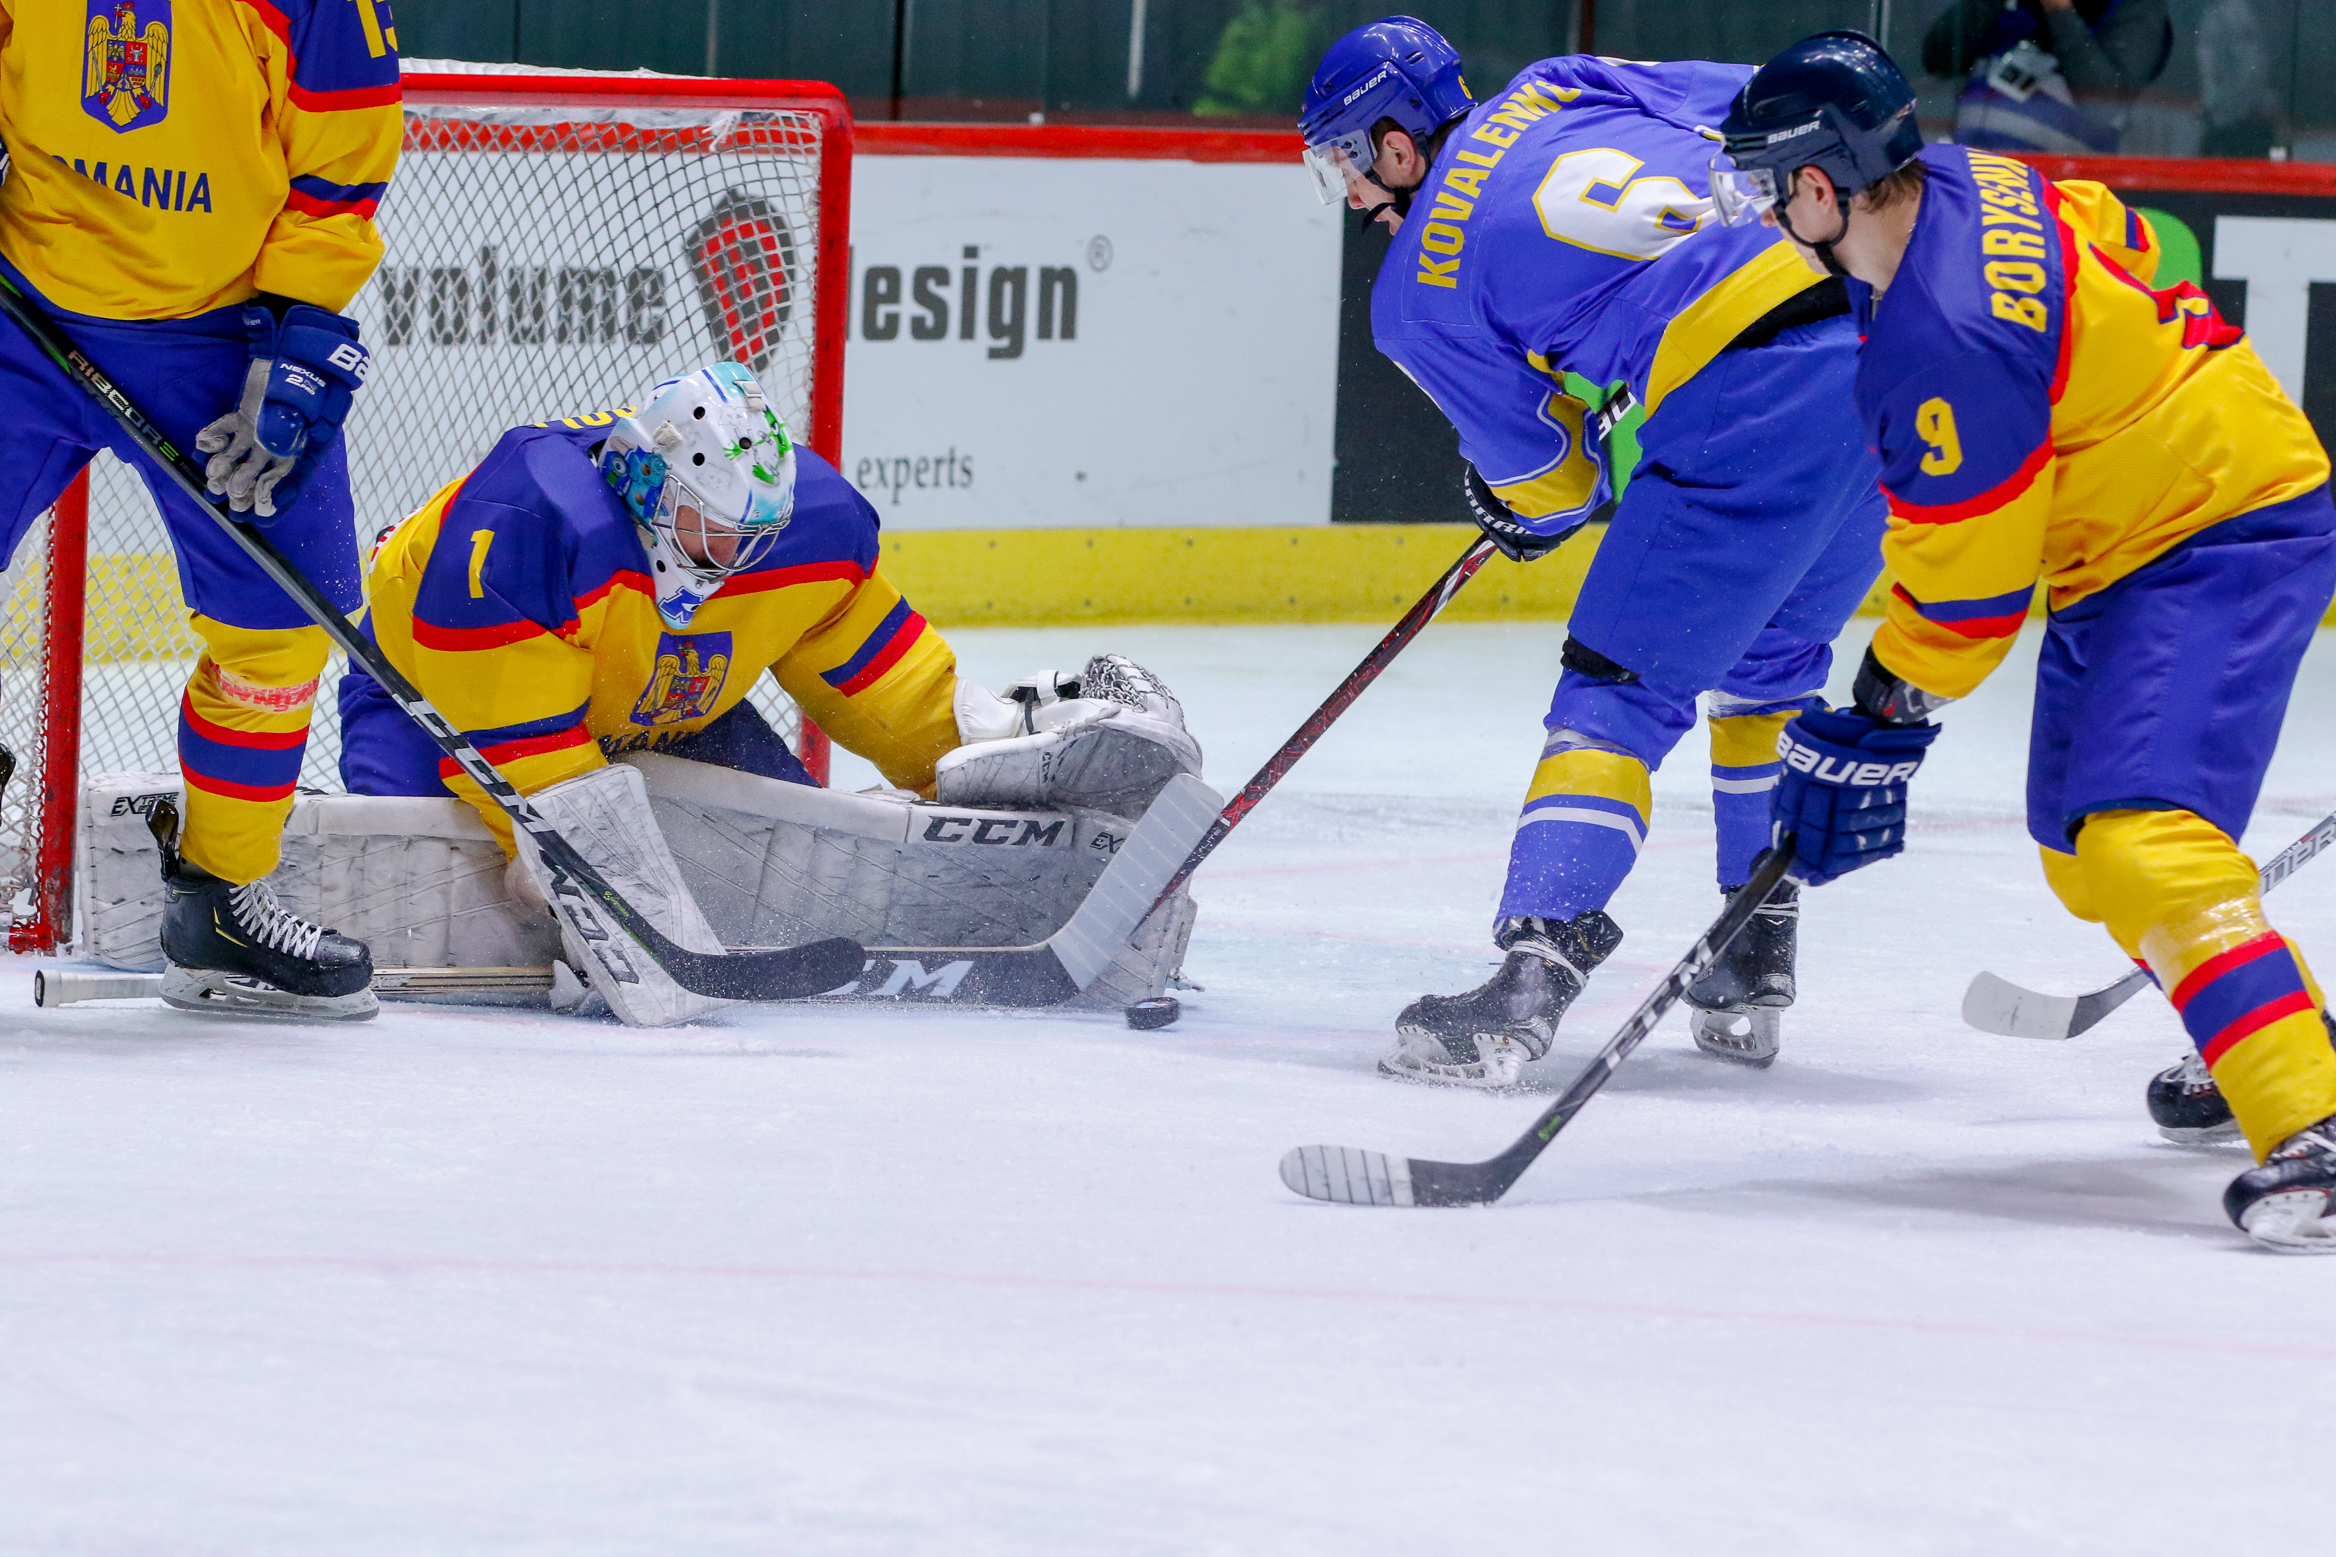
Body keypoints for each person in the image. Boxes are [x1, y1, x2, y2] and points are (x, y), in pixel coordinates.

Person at [1715, 32, 2336, 1252]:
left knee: (2140, 839)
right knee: (2077, 846)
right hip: (2147, 517)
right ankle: (2268, 1030)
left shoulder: (1938, 332)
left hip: (2211, 529)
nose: (1758, 203)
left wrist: (1879, 705)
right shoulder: (1959, 176)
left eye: (1766, 180)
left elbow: (1966, 599)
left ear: (1822, 185)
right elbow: (2123, 236)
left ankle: (2306, 1113)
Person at [1296, 17, 1888, 1083]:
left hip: (1741, 396)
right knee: (1767, 664)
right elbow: (1776, 99)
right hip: (1884, 347)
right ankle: (1751, 951)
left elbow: (1555, 484)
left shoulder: (1414, 296)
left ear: (1394, 146)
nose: (1348, 194)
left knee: (1615, 694)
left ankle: (1529, 975)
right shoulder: (1558, 85)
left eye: (1343, 159)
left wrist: (1511, 501)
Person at [335, 361, 1202, 1027]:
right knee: (430, 885)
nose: (732, 561)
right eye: (711, 530)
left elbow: (885, 689)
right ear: (646, 482)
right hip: (434, 702)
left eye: (751, 538)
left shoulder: (804, 529)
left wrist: (979, 755)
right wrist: (598, 887)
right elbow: (528, 764)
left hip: (666, 707)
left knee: (793, 867)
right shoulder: (523, 529)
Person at [0, 1, 401, 1018]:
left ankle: (220, 904)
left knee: (279, 634)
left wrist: (305, 333)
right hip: (22, 305)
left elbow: (340, 166)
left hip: (225, 338)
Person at [1921, 0, 2172, 154]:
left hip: (2061, 195)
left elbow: (2105, 104)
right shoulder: (2002, 6)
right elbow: (1938, 59)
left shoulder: (2135, 7)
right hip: (1974, 180)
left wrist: (2059, 10)